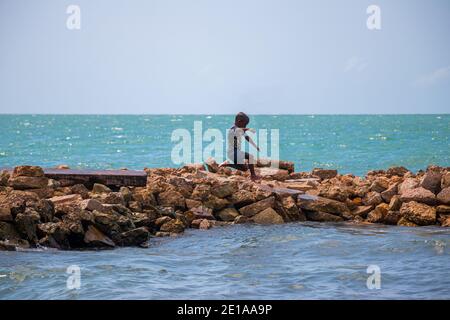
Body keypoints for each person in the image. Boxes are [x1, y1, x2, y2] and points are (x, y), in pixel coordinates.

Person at [219, 112, 261, 181]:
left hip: (235, 153)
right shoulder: (233, 129)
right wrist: (248, 129)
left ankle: (228, 164)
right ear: (239, 122)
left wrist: (255, 146)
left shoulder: (240, 130)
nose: (245, 126)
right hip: (232, 152)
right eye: (244, 125)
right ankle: (253, 176)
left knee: (245, 168)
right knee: (250, 157)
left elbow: (247, 138)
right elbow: (238, 130)